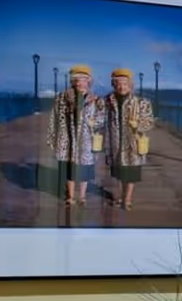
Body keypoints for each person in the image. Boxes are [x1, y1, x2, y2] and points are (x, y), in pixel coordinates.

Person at [100, 67, 155, 211]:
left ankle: (127, 199)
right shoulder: (107, 101)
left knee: (131, 173)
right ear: (113, 85)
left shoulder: (141, 102)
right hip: (114, 143)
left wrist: (139, 125)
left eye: (124, 83)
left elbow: (149, 121)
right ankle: (119, 196)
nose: (121, 86)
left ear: (130, 85)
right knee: (118, 173)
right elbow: (97, 115)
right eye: (117, 83)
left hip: (132, 144)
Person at [47, 64, 100, 212]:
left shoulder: (95, 99)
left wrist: (95, 123)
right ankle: (70, 196)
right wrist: (53, 137)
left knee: (84, 168)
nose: (80, 83)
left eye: (83, 80)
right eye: (76, 80)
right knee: (69, 167)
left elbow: (102, 118)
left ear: (89, 81)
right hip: (67, 137)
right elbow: (54, 118)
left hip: (86, 139)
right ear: (72, 81)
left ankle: (82, 196)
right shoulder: (62, 98)